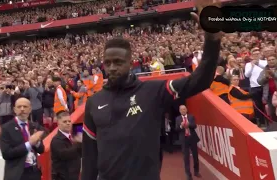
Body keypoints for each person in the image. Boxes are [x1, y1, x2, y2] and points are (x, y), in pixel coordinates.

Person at [81, 1, 223, 179]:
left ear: (130, 63)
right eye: (107, 63)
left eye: (118, 62)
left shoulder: (152, 92)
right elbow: (89, 159)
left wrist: (212, 41)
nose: (112, 68)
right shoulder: (94, 103)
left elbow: (199, 81)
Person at [0, 98, 45, 180]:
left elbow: (41, 150)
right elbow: (6, 154)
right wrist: (29, 144)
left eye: (25, 106)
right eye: (19, 107)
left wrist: (37, 142)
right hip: (17, 174)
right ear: (14, 109)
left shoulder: (34, 126)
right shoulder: (6, 128)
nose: (22, 109)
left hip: (34, 172)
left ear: (30, 109)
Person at [51, 111, 82, 180]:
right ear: (58, 124)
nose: (68, 123)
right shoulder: (56, 140)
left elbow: (80, 154)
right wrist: (78, 144)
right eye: (65, 122)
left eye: (69, 121)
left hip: (74, 176)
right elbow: (65, 155)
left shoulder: (72, 138)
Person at [175, 105, 200, 180]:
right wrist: (181, 126)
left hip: (192, 139)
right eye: (181, 109)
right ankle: (188, 175)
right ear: (179, 111)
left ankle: (196, 171)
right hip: (184, 140)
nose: (183, 110)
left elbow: (194, 126)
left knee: (195, 156)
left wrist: (189, 124)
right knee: (186, 158)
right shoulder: (178, 118)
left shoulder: (191, 117)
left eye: (184, 109)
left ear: (186, 109)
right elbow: (176, 129)